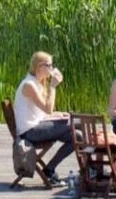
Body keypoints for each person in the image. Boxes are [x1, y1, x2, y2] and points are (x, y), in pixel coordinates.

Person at [13, 52, 74, 187]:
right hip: (29, 132)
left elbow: (42, 113)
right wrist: (52, 86)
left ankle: (49, 169)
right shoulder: (29, 85)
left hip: (36, 126)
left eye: (51, 65)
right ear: (37, 67)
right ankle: (91, 169)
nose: (51, 68)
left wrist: (58, 115)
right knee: (74, 124)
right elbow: (48, 109)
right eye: (48, 65)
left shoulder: (37, 83)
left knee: (77, 136)